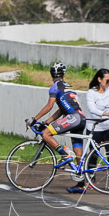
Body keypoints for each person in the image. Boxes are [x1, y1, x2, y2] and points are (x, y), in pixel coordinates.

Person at [25, 62, 86, 193]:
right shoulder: (68, 87)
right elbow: (60, 110)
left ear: (51, 74)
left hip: (72, 118)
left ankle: (65, 154)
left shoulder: (54, 87)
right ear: (63, 75)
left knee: (46, 134)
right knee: (78, 153)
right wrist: (46, 122)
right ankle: (81, 183)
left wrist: (34, 119)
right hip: (81, 118)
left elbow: (49, 106)